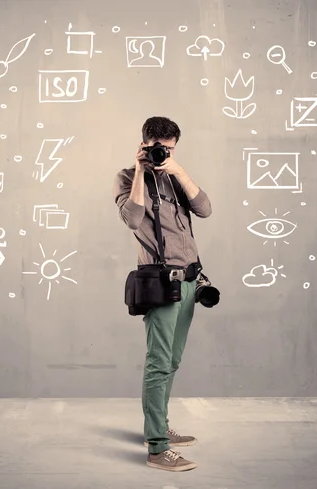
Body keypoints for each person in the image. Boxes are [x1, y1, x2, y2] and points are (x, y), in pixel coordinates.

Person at [113, 116, 212, 472]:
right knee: (158, 363)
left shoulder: (175, 175)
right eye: (156, 148)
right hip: (160, 281)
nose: (161, 154)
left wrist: (179, 170)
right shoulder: (127, 177)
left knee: (172, 361)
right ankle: (157, 447)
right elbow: (134, 219)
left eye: (167, 149)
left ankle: (160, 427)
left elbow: (205, 209)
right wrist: (141, 171)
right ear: (143, 144)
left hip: (189, 281)